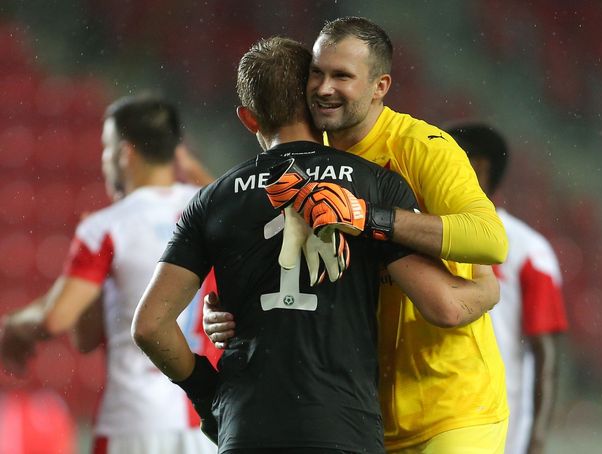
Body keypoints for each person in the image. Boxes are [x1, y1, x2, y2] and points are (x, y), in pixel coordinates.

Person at [132, 36, 500, 454]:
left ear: (249, 119)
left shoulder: (213, 199)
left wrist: (209, 396)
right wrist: (487, 289)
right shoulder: (372, 184)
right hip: (343, 424)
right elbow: (445, 306)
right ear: (313, 102)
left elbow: (149, 326)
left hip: (246, 425)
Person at [0, 95, 217, 454]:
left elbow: (57, 318)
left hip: (131, 423)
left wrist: (14, 326)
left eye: (106, 148)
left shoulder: (108, 227)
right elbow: (85, 335)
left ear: (125, 154)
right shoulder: (210, 210)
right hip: (204, 421)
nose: (103, 160)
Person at [447, 123, 569, 454]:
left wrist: (537, 439)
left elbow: (546, 353)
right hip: (431, 412)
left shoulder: (528, 249)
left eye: (445, 158)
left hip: (500, 423)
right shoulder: (425, 234)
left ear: (478, 169)